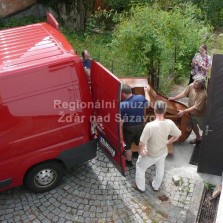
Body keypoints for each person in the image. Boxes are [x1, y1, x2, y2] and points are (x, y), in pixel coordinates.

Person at [133, 100, 181, 193]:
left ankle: (140, 187)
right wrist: (168, 141)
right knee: (160, 168)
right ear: (165, 111)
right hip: (163, 152)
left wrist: (141, 152)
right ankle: (156, 186)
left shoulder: (149, 126)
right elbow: (178, 134)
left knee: (140, 167)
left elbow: (141, 143)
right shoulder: (170, 123)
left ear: (154, 110)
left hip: (151, 154)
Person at [169, 75, 207, 144]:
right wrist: (174, 98)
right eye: (194, 82)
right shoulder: (192, 85)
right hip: (191, 112)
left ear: (201, 86)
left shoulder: (203, 94)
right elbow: (184, 93)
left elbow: (195, 107)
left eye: (196, 85)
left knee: (204, 128)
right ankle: (198, 138)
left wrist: (184, 111)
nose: (194, 85)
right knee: (193, 126)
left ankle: (209, 140)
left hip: (200, 114)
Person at [121, 84, 151, 167]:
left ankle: (129, 162)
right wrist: (146, 92)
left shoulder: (122, 105)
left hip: (128, 128)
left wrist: (119, 131)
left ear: (123, 94)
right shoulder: (140, 97)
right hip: (141, 125)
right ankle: (141, 156)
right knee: (140, 142)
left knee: (127, 146)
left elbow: (121, 121)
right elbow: (148, 104)